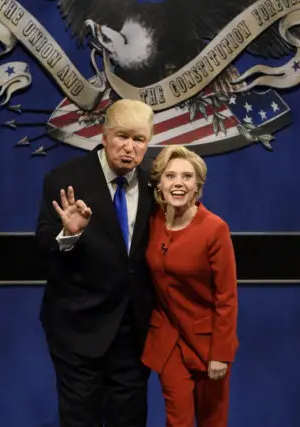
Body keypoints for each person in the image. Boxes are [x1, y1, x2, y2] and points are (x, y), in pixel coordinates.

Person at [35, 98, 156, 427]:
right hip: (78, 328)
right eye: (122, 136)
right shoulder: (65, 180)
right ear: (104, 136)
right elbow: (43, 247)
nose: (129, 147)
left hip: (133, 334)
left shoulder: (153, 186)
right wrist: (68, 233)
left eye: (139, 139)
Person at [141, 145, 238, 427]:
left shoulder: (215, 228)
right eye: (170, 176)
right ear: (159, 183)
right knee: (178, 420)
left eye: (187, 176)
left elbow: (226, 297)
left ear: (198, 185)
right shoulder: (152, 222)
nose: (178, 183)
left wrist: (220, 354)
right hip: (168, 338)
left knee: (212, 421)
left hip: (208, 342)